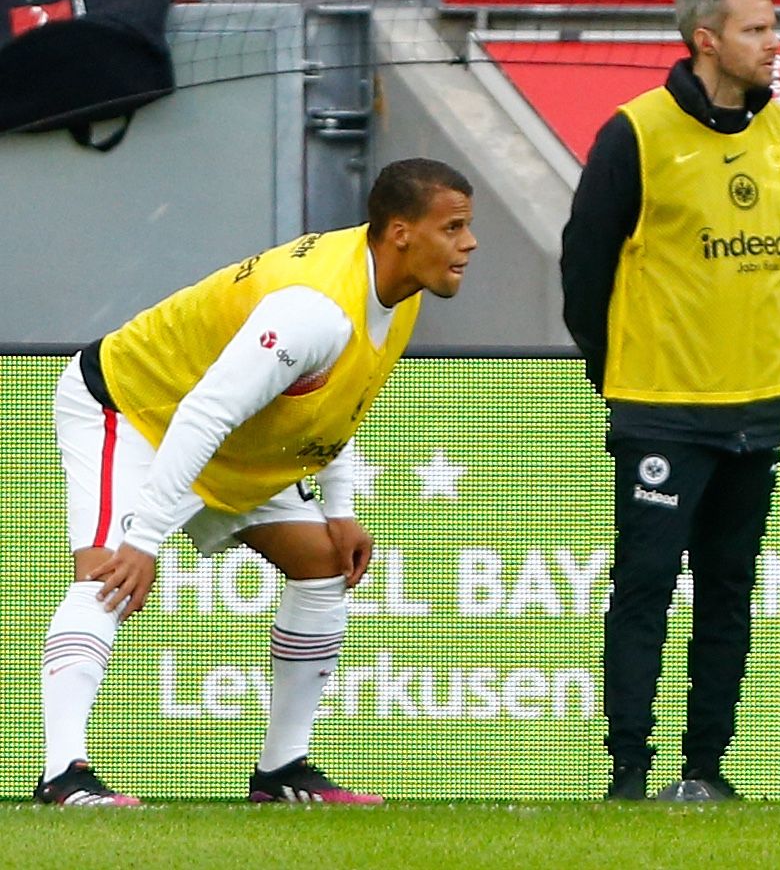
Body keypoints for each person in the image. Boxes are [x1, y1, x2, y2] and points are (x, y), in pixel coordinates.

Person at [36, 158, 477, 806]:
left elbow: (333, 399)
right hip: (135, 407)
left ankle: (282, 773)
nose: (469, 243)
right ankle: (61, 776)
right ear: (401, 232)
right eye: (455, 227)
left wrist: (342, 508)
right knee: (110, 575)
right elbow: (205, 410)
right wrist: (146, 538)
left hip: (233, 436)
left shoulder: (399, 287)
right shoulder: (314, 309)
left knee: (324, 563)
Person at [560, 0, 780, 802]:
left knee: (730, 591)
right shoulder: (635, 133)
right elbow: (584, 268)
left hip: (759, 397)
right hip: (662, 409)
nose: (773, 45)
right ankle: (627, 774)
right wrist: (621, 374)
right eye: (755, 31)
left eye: (774, 29)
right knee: (644, 586)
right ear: (706, 40)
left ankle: (705, 770)